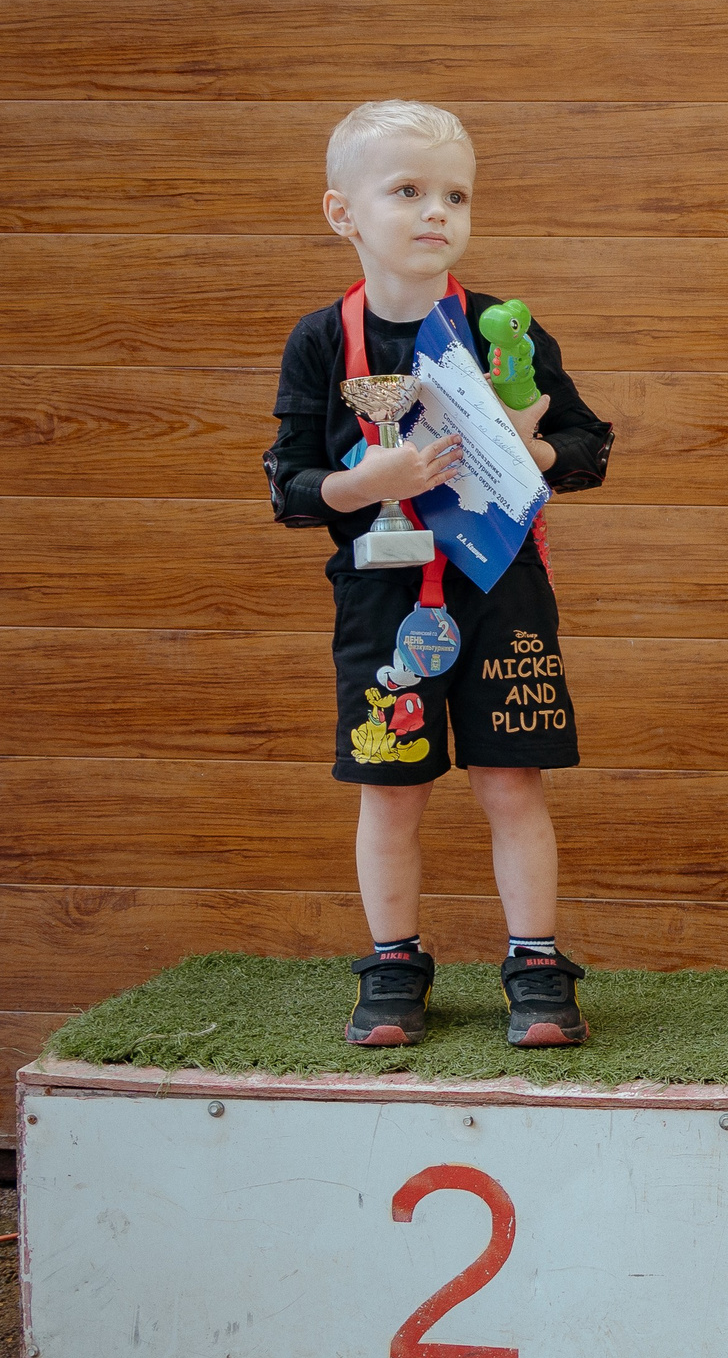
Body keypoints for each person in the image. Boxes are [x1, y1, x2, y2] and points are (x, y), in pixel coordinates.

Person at [263, 100, 614, 1047]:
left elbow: (589, 443)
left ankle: (536, 963)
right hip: (382, 596)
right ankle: (393, 966)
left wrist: (528, 453)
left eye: (455, 195)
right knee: (392, 785)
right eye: (408, 190)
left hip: (502, 587)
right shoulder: (322, 343)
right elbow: (288, 485)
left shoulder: (505, 330)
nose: (435, 212)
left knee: (511, 783)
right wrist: (363, 482)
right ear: (343, 213)